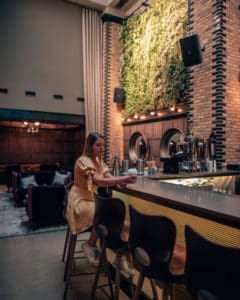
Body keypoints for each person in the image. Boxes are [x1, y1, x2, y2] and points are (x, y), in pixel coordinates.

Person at [66, 132, 137, 275]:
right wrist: (121, 179)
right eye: (98, 145)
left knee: (116, 220)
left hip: (91, 200)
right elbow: (98, 181)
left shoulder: (100, 162)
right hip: (79, 201)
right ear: (90, 146)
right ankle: (90, 245)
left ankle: (118, 255)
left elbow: (111, 180)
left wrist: (124, 182)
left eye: (103, 145)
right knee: (107, 215)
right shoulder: (83, 161)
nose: (102, 148)